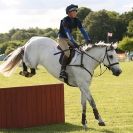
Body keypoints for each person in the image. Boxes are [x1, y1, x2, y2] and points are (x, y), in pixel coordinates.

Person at [58, 4, 91, 79]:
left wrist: (88, 39)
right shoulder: (64, 21)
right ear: (69, 13)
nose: (76, 12)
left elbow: (83, 31)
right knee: (67, 52)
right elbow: (67, 33)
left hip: (69, 38)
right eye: (74, 11)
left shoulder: (77, 20)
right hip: (62, 38)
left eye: (76, 11)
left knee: (80, 50)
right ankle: (62, 71)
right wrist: (74, 42)